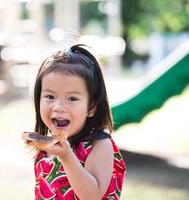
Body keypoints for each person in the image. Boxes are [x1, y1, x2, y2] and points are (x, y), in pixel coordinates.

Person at [29, 44, 126, 200]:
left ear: (91, 107)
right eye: (50, 97)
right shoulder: (47, 146)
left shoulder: (99, 145)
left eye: (72, 98)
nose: (58, 107)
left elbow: (91, 196)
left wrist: (67, 156)